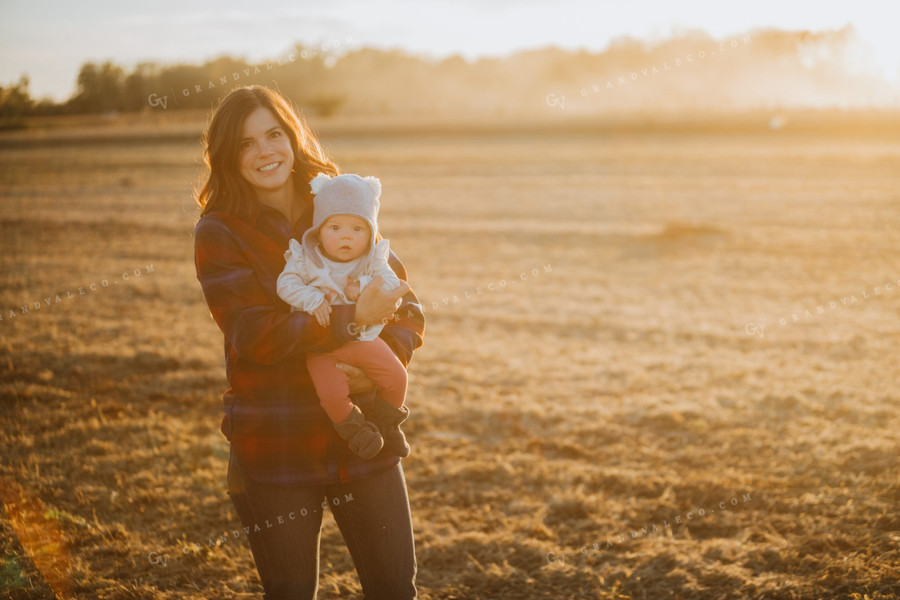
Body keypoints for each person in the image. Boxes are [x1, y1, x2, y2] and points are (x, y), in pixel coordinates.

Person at [193, 85, 424, 599]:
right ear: (228, 155)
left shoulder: (339, 201)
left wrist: (385, 359)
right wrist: (346, 321)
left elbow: (404, 302)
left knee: (395, 589)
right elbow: (254, 335)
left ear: (293, 137)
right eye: (246, 143)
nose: (264, 152)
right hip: (276, 440)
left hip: (362, 435)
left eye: (273, 134)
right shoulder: (219, 231)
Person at [276, 172, 411, 460]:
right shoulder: (307, 258)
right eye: (334, 227)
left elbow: (392, 285)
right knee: (331, 394)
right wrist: (311, 299)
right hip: (321, 346)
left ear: (371, 234)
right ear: (319, 230)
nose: (345, 236)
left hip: (364, 339)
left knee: (397, 377)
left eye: (357, 229)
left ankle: (385, 426)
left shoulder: (373, 261)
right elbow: (285, 284)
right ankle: (355, 432)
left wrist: (361, 287)